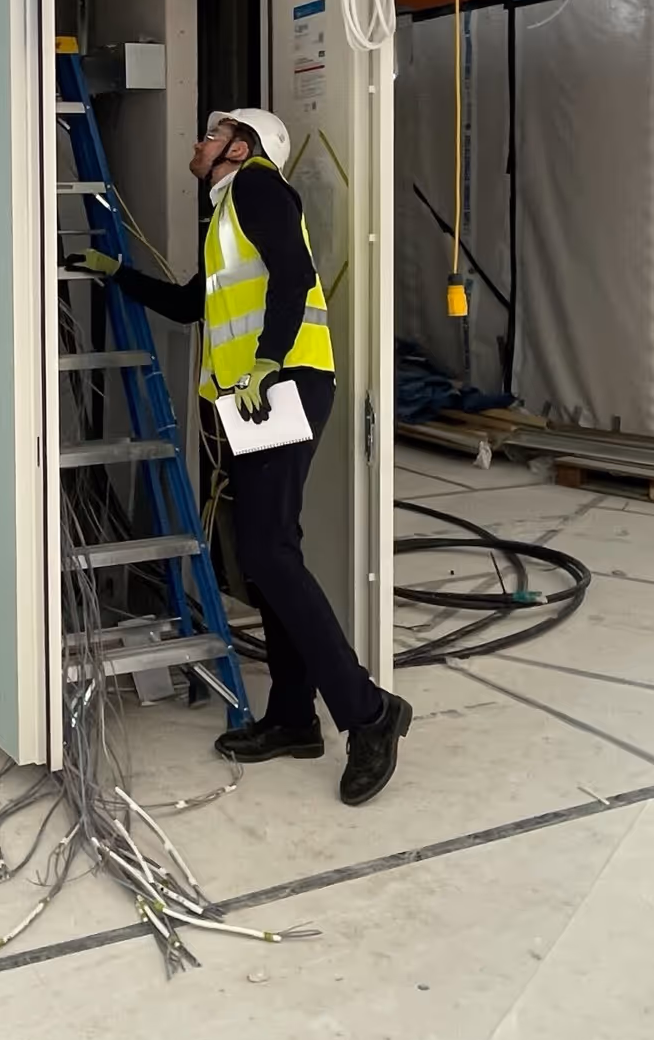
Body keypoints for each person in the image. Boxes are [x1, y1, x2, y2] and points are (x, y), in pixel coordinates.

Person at [69, 107, 412, 805]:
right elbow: (195, 301)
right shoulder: (227, 212)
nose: (198, 141)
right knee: (267, 555)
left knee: (270, 555)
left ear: (242, 145)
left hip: (282, 386)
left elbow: (293, 276)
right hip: (258, 397)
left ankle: (370, 715)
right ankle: (292, 716)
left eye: (211, 132)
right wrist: (118, 274)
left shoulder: (258, 187)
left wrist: (264, 360)